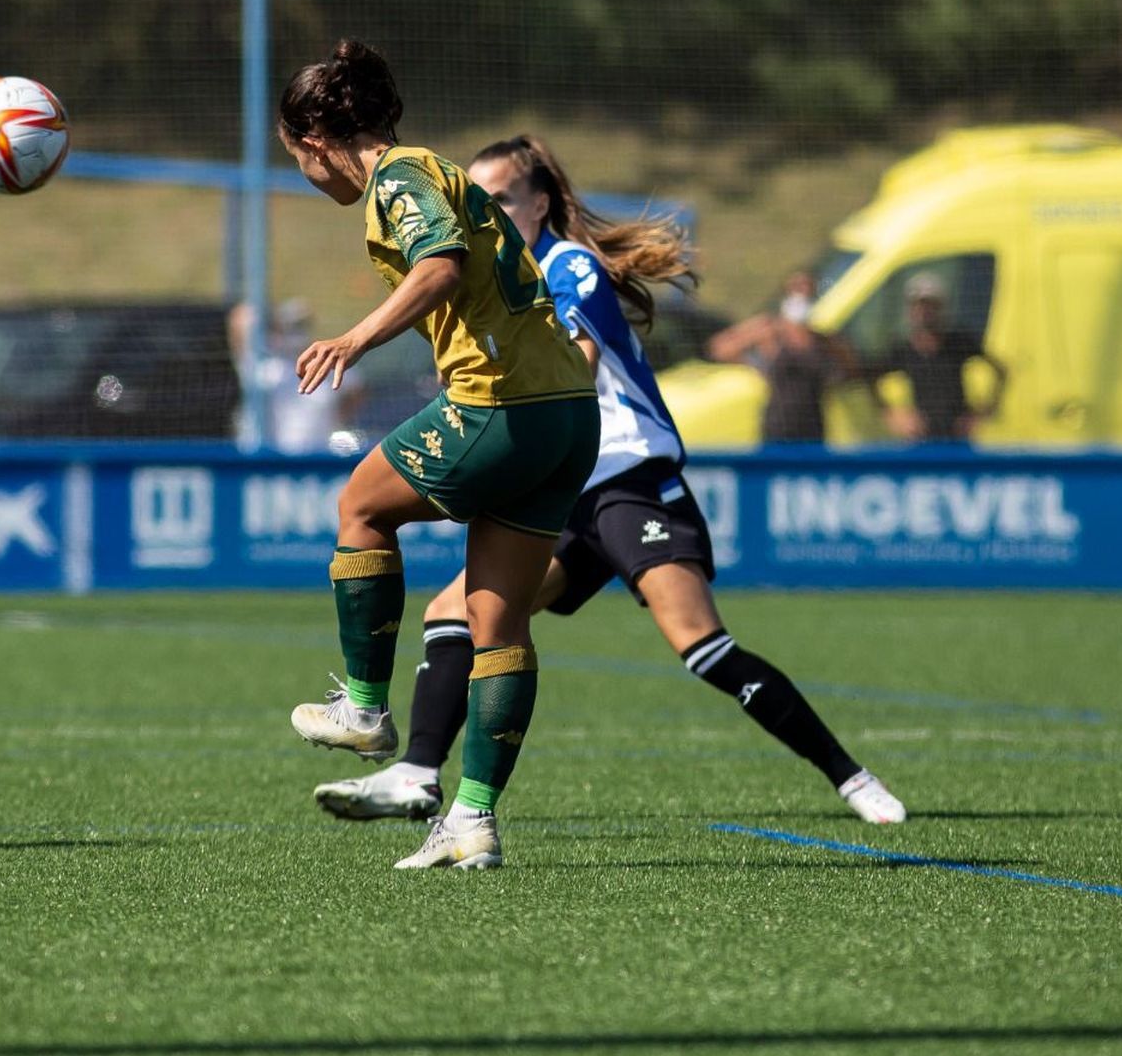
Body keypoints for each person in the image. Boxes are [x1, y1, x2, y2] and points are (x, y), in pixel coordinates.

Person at [308, 135, 908, 830]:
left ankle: (851, 776)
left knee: (701, 646)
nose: (488, 208)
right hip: (563, 488)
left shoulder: (568, 266)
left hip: (624, 478)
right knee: (453, 615)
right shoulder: (508, 277)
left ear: (539, 203)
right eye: (479, 198)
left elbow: (574, 366)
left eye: (500, 196)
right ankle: (417, 775)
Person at [277, 43, 601, 870]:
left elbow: (441, 266)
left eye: (296, 159)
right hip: (567, 413)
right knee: (496, 622)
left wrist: (355, 336)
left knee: (360, 506)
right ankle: (472, 822)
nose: (306, 177)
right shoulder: (437, 170)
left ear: (316, 138)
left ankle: (361, 708)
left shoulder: (397, 178)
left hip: (502, 402)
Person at [707, 270, 858, 443]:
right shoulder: (771, 332)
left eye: (807, 289)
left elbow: (850, 368)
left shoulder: (821, 340)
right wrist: (752, 357)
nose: (801, 294)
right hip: (779, 423)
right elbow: (720, 348)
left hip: (813, 423)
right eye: (796, 288)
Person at [874, 272, 1008, 443]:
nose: (924, 312)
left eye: (931, 306)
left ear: (941, 308)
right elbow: (872, 378)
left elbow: (1001, 370)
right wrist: (893, 414)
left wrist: (982, 412)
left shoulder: (958, 342)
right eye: (919, 306)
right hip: (921, 440)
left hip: (957, 439)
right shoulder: (903, 350)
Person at [228, 297, 346, 454]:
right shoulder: (263, 367)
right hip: (266, 459)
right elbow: (240, 319)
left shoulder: (325, 367)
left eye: (300, 326)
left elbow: (355, 390)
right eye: (291, 327)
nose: (296, 333)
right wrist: (273, 318)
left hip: (319, 458)